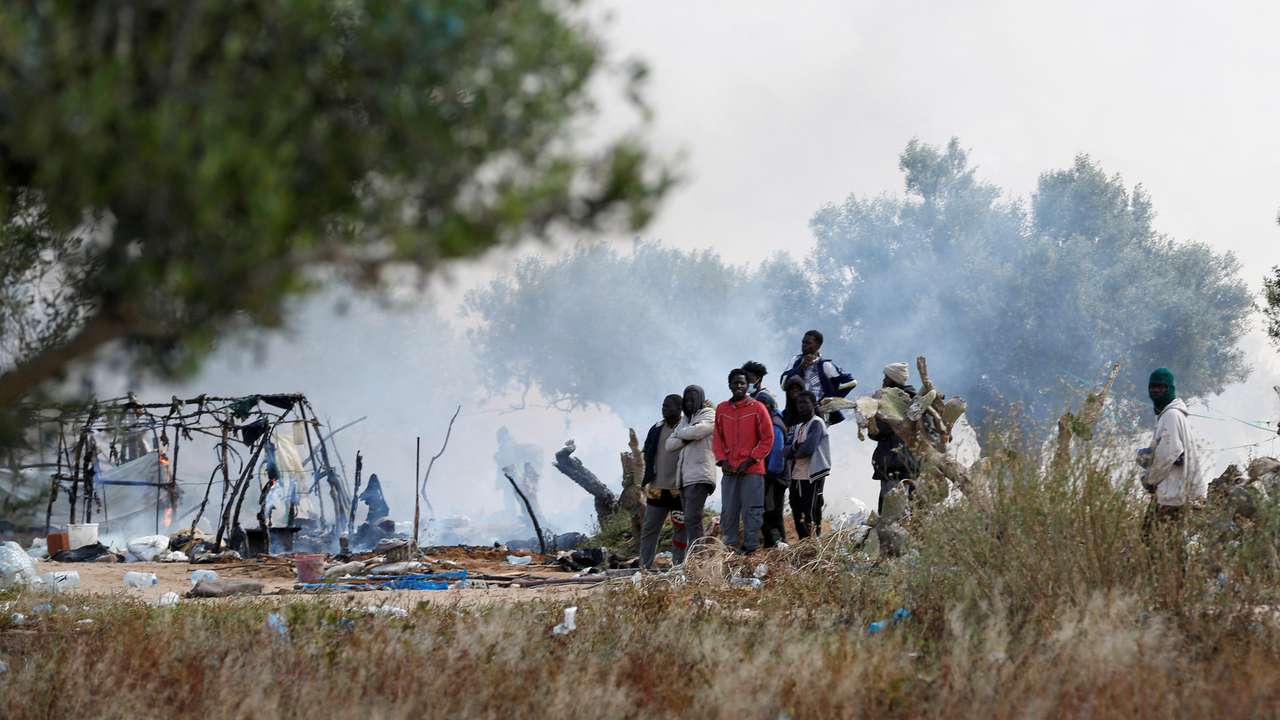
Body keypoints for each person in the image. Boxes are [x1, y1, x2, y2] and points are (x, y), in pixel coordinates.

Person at [713, 368, 774, 553]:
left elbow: (768, 438)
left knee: (752, 510)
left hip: (752, 471)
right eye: (735, 383)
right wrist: (723, 461)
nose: (739, 386)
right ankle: (729, 548)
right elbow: (717, 438)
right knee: (728, 510)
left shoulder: (758, 408)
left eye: (742, 383)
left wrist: (749, 461)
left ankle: (751, 549)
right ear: (730, 385)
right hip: (730, 471)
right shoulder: (722, 409)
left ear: (748, 386)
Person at [1138, 368, 1203, 541]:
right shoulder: (1170, 415)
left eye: (1161, 387)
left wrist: (1150, 480)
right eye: (1153, 387)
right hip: (1171, 492)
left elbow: (1169, 454)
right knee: (1162, 541)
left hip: (1173, 494)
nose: (1156, 391)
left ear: (1170, 389)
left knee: (1155, 541)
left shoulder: (1171, 415)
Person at [665, 385, 717, 557]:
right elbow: (669, 445)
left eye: (692, 400)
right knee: (690, 520)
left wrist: (682, 434)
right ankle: (697, 556)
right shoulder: (685, 421)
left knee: (692, 518)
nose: (689, 403)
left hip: (700, 474)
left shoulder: (709, 414)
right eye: (686, 400)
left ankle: (698, 557)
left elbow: (700, 431)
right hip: (685, 478)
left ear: (700, 399)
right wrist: (687, 436)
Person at [639, 394, 686, 569]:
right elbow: (647, 452)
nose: (664, 409)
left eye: (668, 406)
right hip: (657, 489)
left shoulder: (687, 428)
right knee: (649, 529)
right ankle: (644, 567)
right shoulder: (656, 428)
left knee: (681, 529)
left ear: (679, 408)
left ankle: (679, 567)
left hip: (679, 491)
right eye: (663, 406)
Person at [868, 362, 919, 515]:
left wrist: (872, 419)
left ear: (893, 380)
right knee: (908, 513)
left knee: (892, 515)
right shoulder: (916, 402)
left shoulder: (894, 403)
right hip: (909, 466)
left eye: (886, 378)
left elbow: (876, 433)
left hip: (895, 466)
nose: (883, 381)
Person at [779, 330, 856, 425]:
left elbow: (851, 382)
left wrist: (830, 399)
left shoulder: (825, 365)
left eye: (808, 343)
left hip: (817, 413)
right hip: (795, 411)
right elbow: (783, 385)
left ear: (818, 346)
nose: (804, 345)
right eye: (803, 342)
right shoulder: (796, 360)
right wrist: (800, 368)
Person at [785, 391, 831, 539]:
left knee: (810, 510)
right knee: (796, 510)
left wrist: (795, 450)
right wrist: (796, 447)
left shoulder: (817, 423)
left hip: (812, 474)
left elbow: (808, 449)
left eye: (805, 402)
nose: (801, 406)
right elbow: (785, 451)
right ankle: (803, 542)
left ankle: (812, 543)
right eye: (799, 403)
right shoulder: (799, 426)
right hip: (797, 475)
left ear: (813, 404)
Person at [757, 391, 790, 548]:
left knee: (771, 514)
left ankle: (778, 546)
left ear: (768, 406)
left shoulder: (775, 424)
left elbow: (777, 453)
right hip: (773, 476)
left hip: (774, 478)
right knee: (770, 513)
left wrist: (768, 476)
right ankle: (773, 545)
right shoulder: (772, 420)